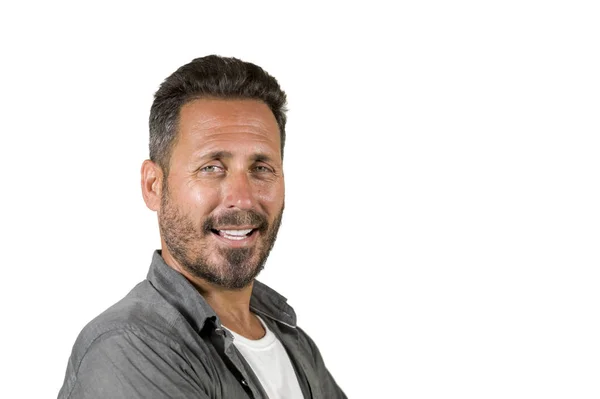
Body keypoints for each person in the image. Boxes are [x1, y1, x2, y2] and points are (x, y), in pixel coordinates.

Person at [57, 56, 346, 399]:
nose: (243, 198)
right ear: (153, 186)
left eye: (261, 168)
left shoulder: (292, 341)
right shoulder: (129, 346)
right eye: (211, 167)